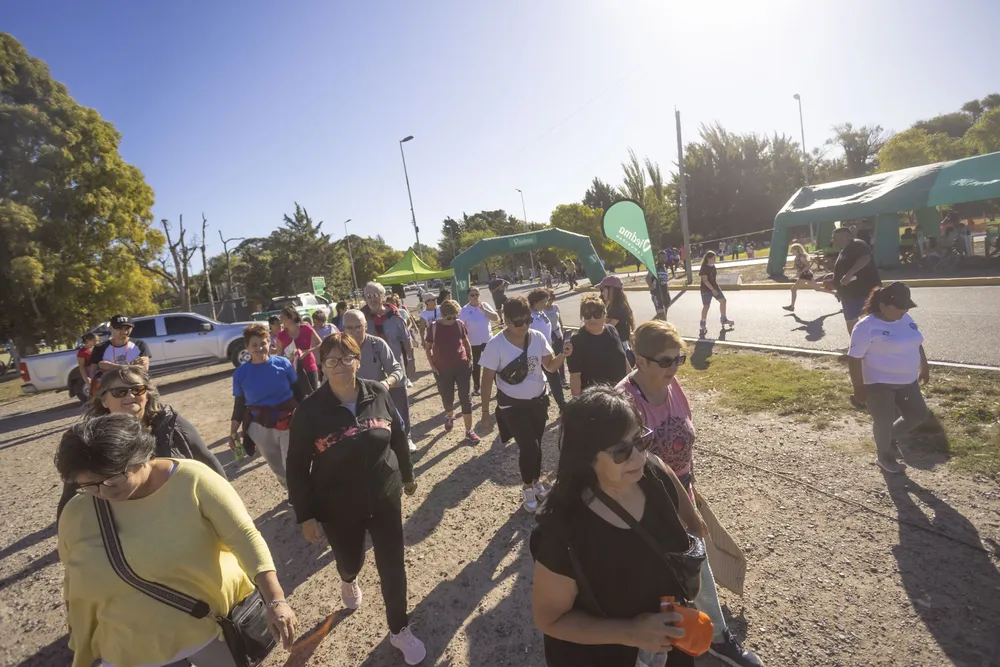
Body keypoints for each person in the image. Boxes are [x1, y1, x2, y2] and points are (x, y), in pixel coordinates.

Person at [57, 414, 297, 667]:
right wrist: (79, 625)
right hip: (129, 645)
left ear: (140, 456)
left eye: (111, 479)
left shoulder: (192, 480)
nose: (103, 492)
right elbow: (75, 576)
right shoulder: (77, 512)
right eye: (89, 486)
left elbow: (244, 537)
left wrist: (276, 599)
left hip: (206, 630)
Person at [617, 322, 765, 666]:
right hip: (648, 504)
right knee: (663, 576)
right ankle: (654, 650)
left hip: (683, 489)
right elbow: (632, 466)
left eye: (678, 359)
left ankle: (715, 636)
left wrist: (690, 487)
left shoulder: (673, 385)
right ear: (640, 360)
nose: (674, 367)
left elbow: (684, 442)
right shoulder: (624, 402)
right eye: (665, 361)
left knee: (695, 565)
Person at [529, 386, 708, 667]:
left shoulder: (655, 474)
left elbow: (693, 524)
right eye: (621, 451)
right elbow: (550, 619)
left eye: (640, 440)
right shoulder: (561, 532)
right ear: (587, 456)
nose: (638, 458)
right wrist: (632, 632)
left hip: (670, 647)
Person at [286, 333, 425, 665]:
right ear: (322, 365)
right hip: (337, 506)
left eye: (347, 358)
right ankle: (347, 580)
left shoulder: (376, 392)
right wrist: (306, 515)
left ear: (357, 360)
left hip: (384, 496)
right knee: (352, 561)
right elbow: (295, 466)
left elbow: (398, 437)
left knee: (392, 564)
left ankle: (399, 628)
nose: (340, 366)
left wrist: (407, 475)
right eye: (332, 360)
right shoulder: (309, 411)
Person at [57, 365, 227, 518]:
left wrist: (227, 502)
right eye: (120, 392)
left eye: (137, 390)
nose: (130, 395)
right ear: (104, 400)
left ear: (147, 395)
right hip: (119, 521)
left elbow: (207, 459)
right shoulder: (88, 439)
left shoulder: (170, 423)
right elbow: (71, 492)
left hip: (178, 512)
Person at [480, 296, 569, 512]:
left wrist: (564, 355)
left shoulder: (537, 337)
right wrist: (484, 412)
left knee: (537, 446)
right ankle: (527, 486)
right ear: (506, 320)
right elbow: (486, 380)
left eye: (527, 320)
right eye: (518, 322)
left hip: (538, 400)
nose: (524, 326)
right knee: (529, 446)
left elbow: (549, 365)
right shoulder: (496, 345)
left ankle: (536, 481)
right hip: (512, 405)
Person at [847, 282, 930, 474]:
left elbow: (916, 342)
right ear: (883, 305)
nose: (905, 309)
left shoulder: (905, 318)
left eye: (906, 305)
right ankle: (884, 454)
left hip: (908, 380)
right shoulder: (866, 326)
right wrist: (858, 387)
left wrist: (924, 366)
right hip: (878, 383)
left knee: (918, 415)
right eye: (899, 306)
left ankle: (887, 437)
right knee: (883, 420)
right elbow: (854, 359)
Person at [231, 323, 300, 489]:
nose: (259, 348)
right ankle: (289, 490)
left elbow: (299, 392)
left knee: (290, 462)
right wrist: (233, 430)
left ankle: (299, 496)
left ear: (270, 343)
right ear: (247, 347)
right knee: (276, 465)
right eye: (254, 345)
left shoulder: (283, 364)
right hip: (259, 425)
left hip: (288, 420)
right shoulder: (240, 374)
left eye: (263, 343)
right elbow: (239, 405)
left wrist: (305, 414)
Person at [342, 309, 418, 452]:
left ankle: (405, 440)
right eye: (349, 328)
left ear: (365, 326)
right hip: (351, 402)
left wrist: (387, 382)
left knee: (392, 430)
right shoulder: (338, 348)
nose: (355, 331)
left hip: (377, 399)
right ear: (343, 329)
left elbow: (397, 370)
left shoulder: (377, 344)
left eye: (359, 327)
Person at [425, 299, 479, 443]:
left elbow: (465, 341)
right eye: (450, 317)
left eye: (455, 316)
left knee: (465, 399)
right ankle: (450, 415)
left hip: (462, 366)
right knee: (447, 398)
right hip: (443, 370)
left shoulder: (459, 324)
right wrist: (433, 366)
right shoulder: (434, 327)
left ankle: (469, 431)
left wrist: (470, 358)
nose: (453, 320)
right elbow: (428, 348)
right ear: (442, 314)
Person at [566, 295, 630, 397]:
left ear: (604, 314)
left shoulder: (612, 330)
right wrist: (577, 402)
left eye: (596, 314)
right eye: (587, 315)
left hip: (621, 393)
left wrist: (632, 382)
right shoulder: (577, 340)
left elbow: (623, 358)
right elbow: (575, 376)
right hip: (596, 400)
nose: (591, 318)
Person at [362, 282, 417, 384]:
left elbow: (406, 340)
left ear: (383, 296)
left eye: (376, 295)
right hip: (371, 375)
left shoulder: (395, 316)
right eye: (368, 296)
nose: (372, 299)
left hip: (395, 370)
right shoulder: (361, 319)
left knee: (399, 398)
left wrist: (411, 360)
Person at [831, 227, 882, 334]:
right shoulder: (843, 252)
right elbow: (844, 271)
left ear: (848, 236)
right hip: (849, 294)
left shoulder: (857, 244)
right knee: (851, 320)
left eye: (836, 238)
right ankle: (856, 345)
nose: (833, 240)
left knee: (870, 319)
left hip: (863, 291)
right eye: (833, 238)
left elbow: (865, 258)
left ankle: (875, 344)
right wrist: (833, 279)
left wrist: (849, 274)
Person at [88, 314, 152, 394]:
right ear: (111, 328)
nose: (124, 332)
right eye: (119, 328)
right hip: (110, 392)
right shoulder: (100, 348)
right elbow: (93, 374)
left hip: (135, 390)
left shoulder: (140, 344)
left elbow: (144, 371)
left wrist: (111, 366)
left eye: (127, 328)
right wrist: (132, 366)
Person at [528, 288, 566, 411]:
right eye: (543, 301)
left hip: (547, 350)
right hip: (535, 352)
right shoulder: (529, 316)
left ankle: (562, 403)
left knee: (554, 376)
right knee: (538, 379)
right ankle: (540, 404)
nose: (546, 303)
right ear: (536, 301)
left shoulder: (541, 312)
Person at [458, 286, 500, 396]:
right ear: (468, 297)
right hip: (473, 343)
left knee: (493, 364)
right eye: (472, 295)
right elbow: (460, 326)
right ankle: (477, 388)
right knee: (476, 367)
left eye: (477, 294)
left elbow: (496, 318)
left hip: (488, 341)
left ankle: (499, 388)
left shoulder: (484, 305)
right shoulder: (465, 310)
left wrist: (484, 310)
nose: (475, 297)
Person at [275, 306, 323, 396]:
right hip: (292, 371)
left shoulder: (306, 328)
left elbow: (321, 344)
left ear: (292, 316)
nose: (281, 321)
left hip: (309, 367)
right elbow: (279, 357)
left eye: (283, 318)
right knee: (299, 399)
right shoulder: (281, 335)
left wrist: (307, 351)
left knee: (314, 396)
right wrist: (289, 358)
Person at [598, 275, 635, 365]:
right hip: (619, 349)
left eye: (603, 290)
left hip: (621, 353)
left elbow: (604, 328)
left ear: (611, 290)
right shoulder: (614, 305)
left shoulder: (618, 308)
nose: (601, 293)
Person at [698, 252, 734, 338]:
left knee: (723, 301)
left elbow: (713, 279)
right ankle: (703, 323)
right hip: (706, 289)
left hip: (715, 287)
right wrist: (712, 289)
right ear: (708, 258)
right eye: (713, 258)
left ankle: (723, 319)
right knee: (706, 306)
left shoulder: (713, 267)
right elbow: (705, 281)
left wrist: (715, 288)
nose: (715, 260)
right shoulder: (704, 268)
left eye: (715, 258)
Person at [542, 288, 570, 390]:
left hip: (558, 334)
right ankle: (551, 381)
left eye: (552, 299)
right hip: (548, 336)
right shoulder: (542, 310)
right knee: (549, 359)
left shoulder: (555, 307)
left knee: (561, 356)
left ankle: (562, 379)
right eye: (548, 300)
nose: (550, 302)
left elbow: (560, 320)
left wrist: (562, 332)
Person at [783, 243, 817, 312]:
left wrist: (799, 273)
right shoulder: (796, 258)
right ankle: (835, 294)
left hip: (806, 275)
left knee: (793, 289)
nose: (791, 252)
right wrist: (786, 268)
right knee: (818, 288)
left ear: (797, 250)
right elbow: (794, 267)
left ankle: (792, 307)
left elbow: (808, 266)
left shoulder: (801, 257)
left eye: (792, 250)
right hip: (804, 275)